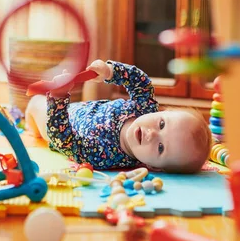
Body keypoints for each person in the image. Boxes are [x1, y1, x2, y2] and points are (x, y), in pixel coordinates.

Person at [25, 60, 212, 173]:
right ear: (162, 112)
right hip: (82, 107)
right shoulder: (145, 107)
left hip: (59, 122)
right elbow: (140, 81)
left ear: (153, 167)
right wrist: (109, 71)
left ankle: (31, 129)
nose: (152, 134)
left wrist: (58, 100)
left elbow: (63, 140)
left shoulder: (104, 157)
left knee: (36, 103)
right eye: (162, 124)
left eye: (161, 147)